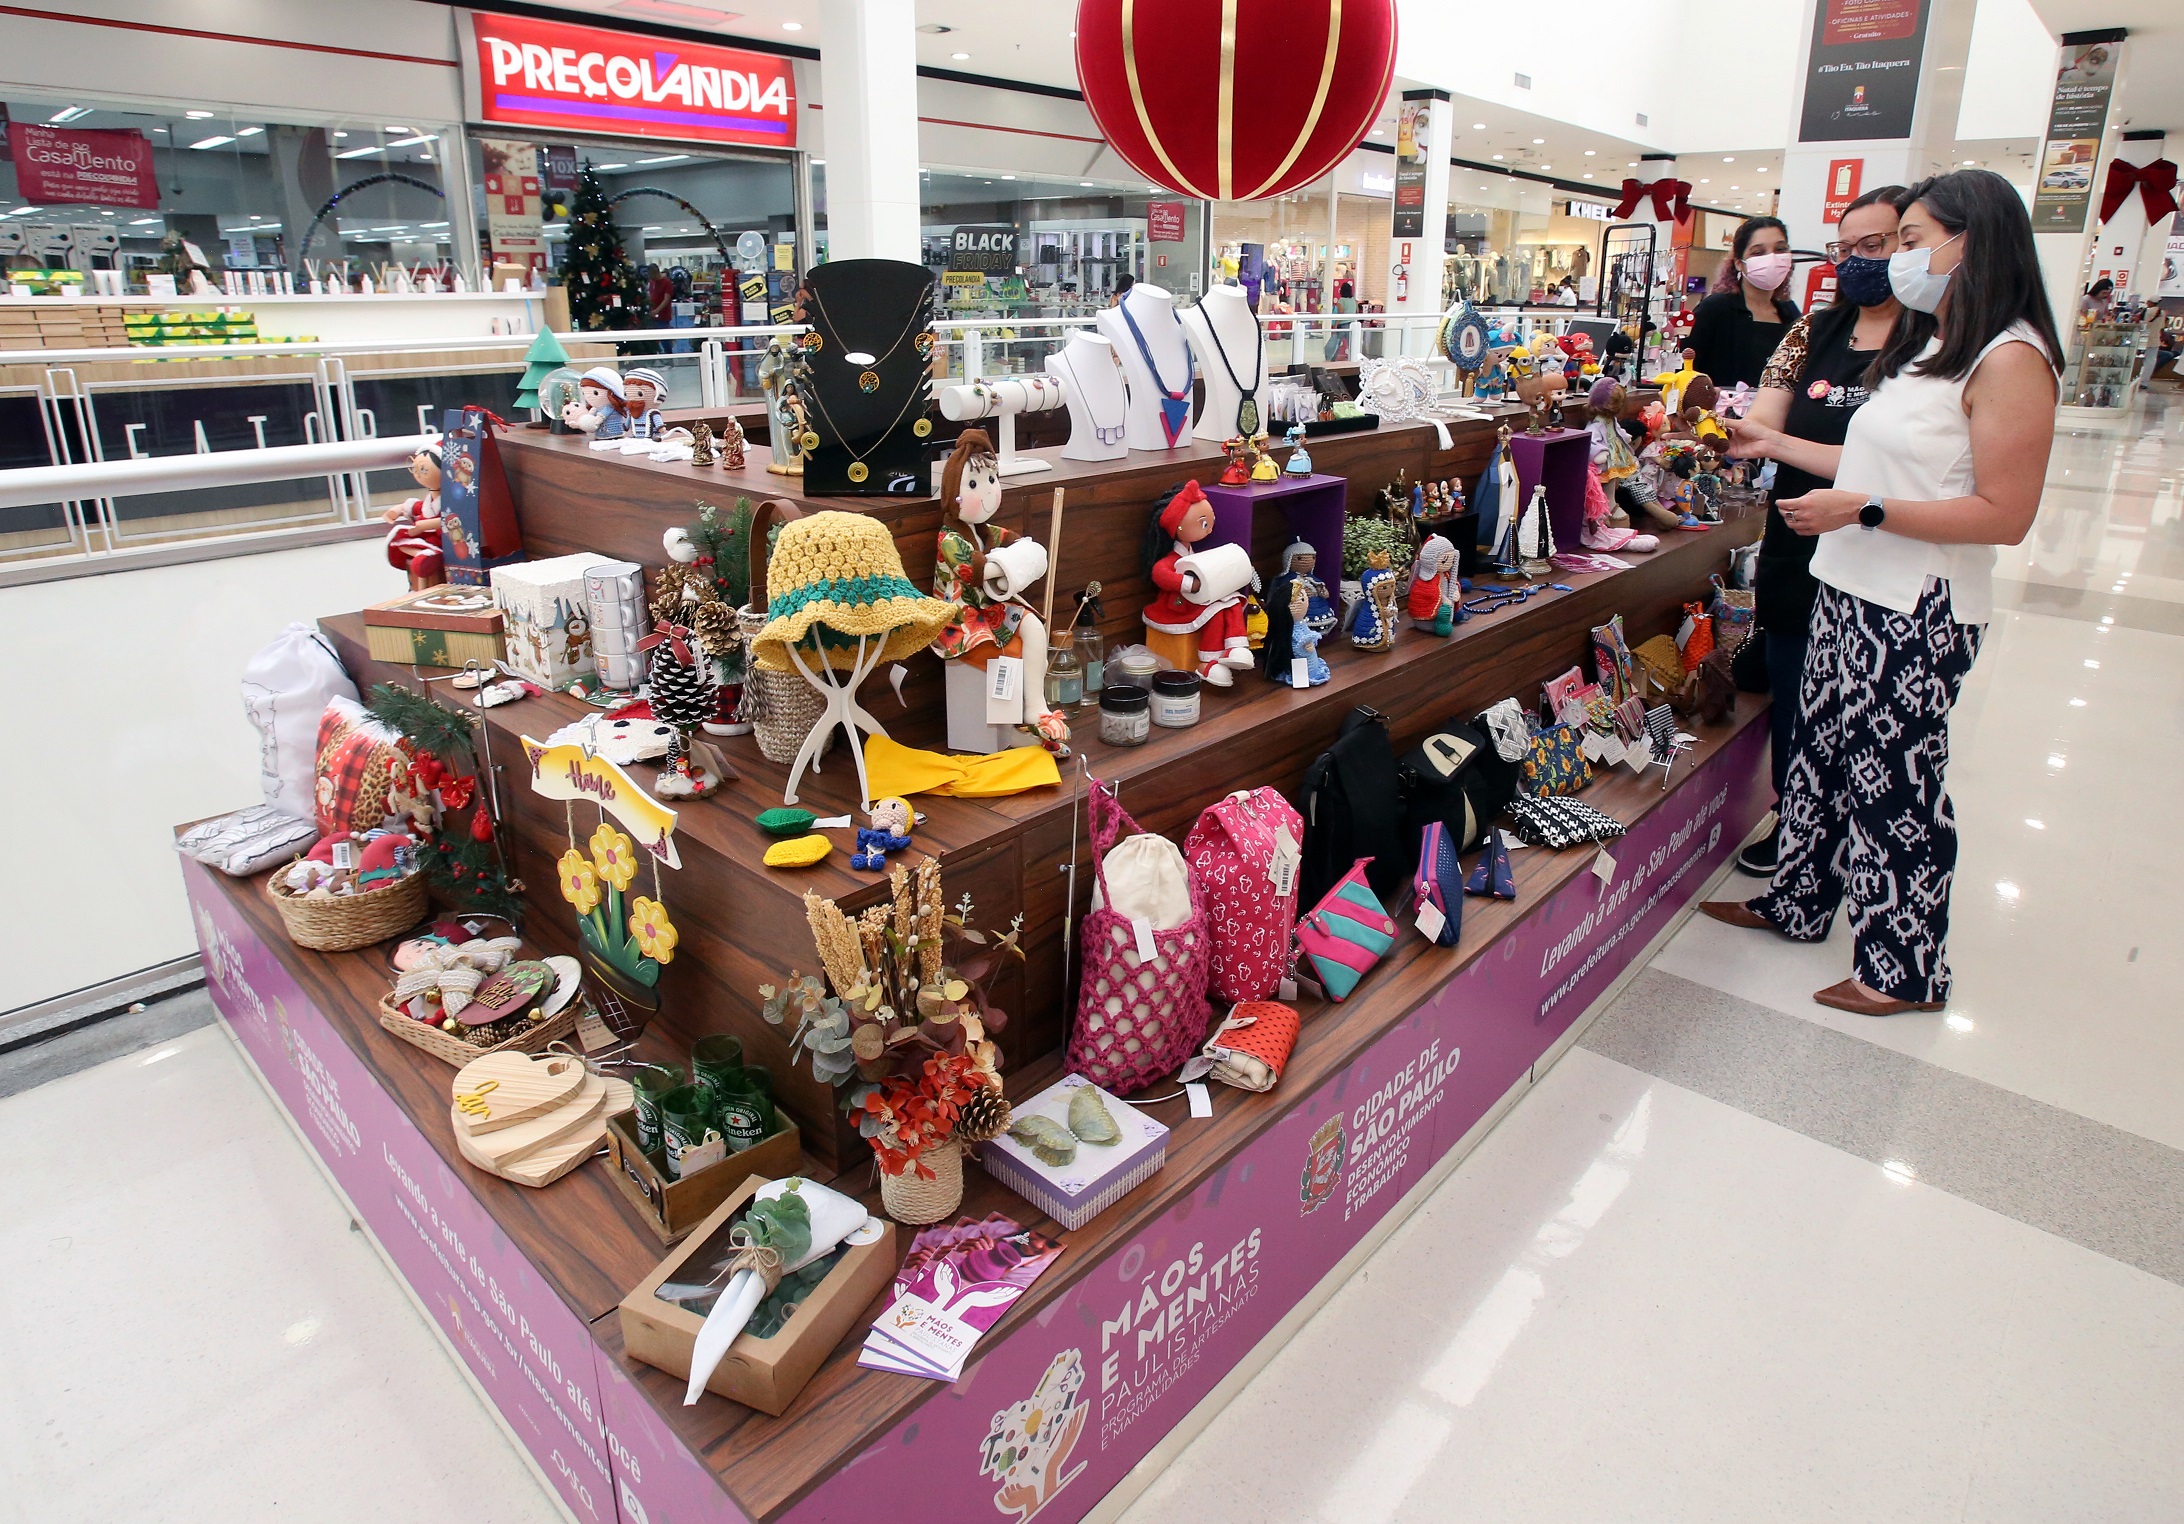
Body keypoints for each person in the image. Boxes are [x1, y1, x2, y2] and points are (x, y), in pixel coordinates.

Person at [1702, 169, 2062, 1016]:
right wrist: (1772, 443)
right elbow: (1868, 464)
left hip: (1917, 605)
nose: (1898, 260)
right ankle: (1797, 901)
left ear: (1966, 242)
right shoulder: (1933, 348)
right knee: (1821, 760)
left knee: (1894, 783)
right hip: (1849, 585)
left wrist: (1862, 510)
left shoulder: (2011, 357)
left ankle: (1903, 968)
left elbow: (2004, 515)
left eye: (1908, 242)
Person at [1723, 185, 1920, 875]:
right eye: (1845, 249)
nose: (1857, 262)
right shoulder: (1811, 332)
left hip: (1882, 545)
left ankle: (1847, 837)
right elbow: (1764, 423)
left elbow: (1895, 465)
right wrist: (1729, 433)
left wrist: (1774, 448)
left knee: (1859, 711)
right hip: (1797, 537)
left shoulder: (1933, 343)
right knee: (1791, 690)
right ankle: (1795, 823)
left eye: (1877, 246)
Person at [1688, 216, 1800, 389]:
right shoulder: (1715, 309)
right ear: (1739, 263)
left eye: (1780, 249)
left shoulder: (1790, 313)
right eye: (1758, 252)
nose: (1772, 258)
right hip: (1720, 412)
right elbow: (1687, 368)